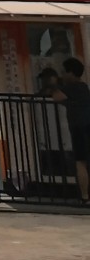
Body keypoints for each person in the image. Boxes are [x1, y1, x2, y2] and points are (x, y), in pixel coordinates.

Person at [53, 55, 90, 203]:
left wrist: (55, 84)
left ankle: (85, 196)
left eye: (64, 72)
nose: (62, 74)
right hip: (86, 125)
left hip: (79, 128)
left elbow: (56, 97)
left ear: (71, 73)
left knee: (80, 161)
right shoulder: (84, 88)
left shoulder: (72, 87)